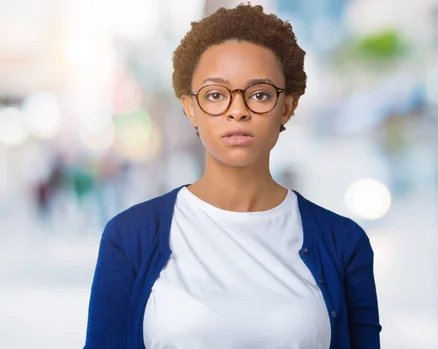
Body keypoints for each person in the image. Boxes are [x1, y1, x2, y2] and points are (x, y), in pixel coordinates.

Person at [84, 4, 381, 349]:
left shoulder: (344, 242)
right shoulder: (130, 236)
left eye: (259, 94)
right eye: (215, 95)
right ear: (190, 108)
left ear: (287, 106)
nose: (237, 110)